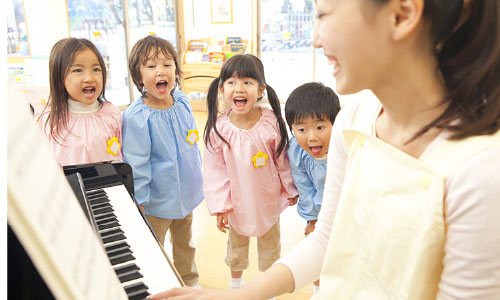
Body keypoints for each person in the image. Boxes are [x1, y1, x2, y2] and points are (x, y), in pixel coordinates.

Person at [151, 0, 500, 299]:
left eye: (324, 14)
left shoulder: (481, 170)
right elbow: (327, 239)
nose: (316, 38)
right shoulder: (355, 119)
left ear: (401, 14)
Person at [202, 54, 298, 292]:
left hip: (268, 200)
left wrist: (290, 188)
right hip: (237, 203)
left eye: (247, 82)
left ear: (261, 89)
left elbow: (282, 159)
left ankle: (269, 290)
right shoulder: (219, 128)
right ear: (222, 88)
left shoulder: (271, 121)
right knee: (236, 249)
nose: (239, 88)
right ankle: (236, 286)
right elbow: (215, 171)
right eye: (232, 82)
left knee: (270, 249)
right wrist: (221, 205)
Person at [121, 35, 203, 288]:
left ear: (176, 71)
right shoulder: (137, 117)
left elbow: (192, 144)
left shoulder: (182, 101)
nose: (161, 71)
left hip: (186, 193)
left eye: (167, 64)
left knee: (185, 243)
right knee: (154, 247)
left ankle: (190, 283)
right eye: (151, 65)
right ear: (138, 75)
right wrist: (141, 200)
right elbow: (137, 163)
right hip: (156, 199)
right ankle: (160, 285)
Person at [284, 82, 340, 297]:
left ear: (336, 123)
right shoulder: (297, 150)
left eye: (320, 127)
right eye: (301, 129)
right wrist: (313, 220)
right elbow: (304, 187)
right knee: (315, 251)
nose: (312, 137)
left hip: (346, 211)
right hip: (317, 213)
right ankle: (318, 291)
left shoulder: (343, 146)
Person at [38, 38, 122, 166]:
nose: (89, 78)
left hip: (108, 184)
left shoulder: (111, 114)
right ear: (59, 78)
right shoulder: (50, 120)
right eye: (78, 70)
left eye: (96, 69)